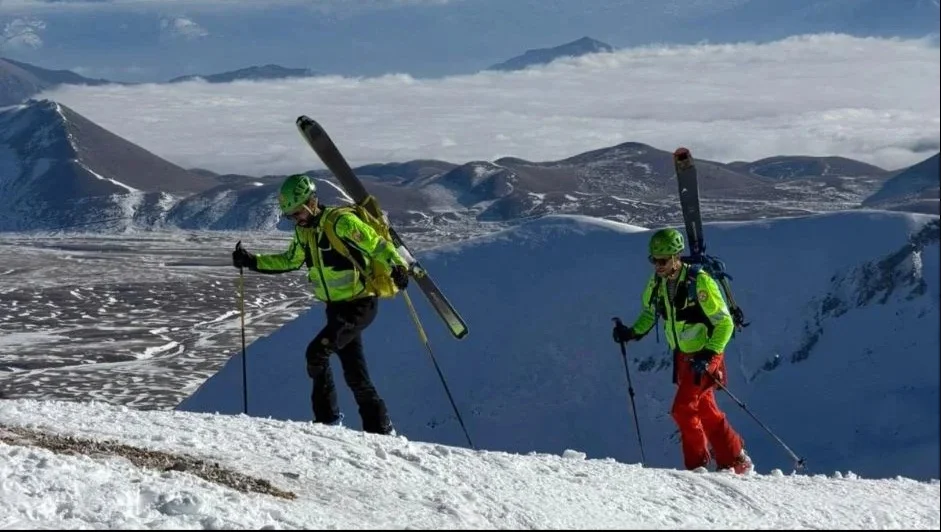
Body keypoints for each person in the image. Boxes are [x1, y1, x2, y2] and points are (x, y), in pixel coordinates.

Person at [232, 173, 409, 435]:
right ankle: (381, 429)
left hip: (359, 305)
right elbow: (289, 261)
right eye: (291, 216)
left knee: (316, 353)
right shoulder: (304, 232)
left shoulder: (341, 222)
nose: (296, 219)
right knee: (355, 375)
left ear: (311, 202)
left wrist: (397, 265)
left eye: (297, 212)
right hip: (335, 309)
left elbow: (375, 244)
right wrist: (252, 261)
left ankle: (327, 421)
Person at [612, 227, 754, 474]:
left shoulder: (700, 282)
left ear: (676, 257)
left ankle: (697, 467)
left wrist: (708, 354)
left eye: (663, 260)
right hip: (684, 356)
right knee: (705, 409)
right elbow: (650, 313)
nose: (657, 266)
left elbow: (724, 323)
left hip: (706, 355)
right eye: (654, 260)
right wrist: (631, 332)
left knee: (683, 409)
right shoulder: (657, 283)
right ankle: (735, 459)